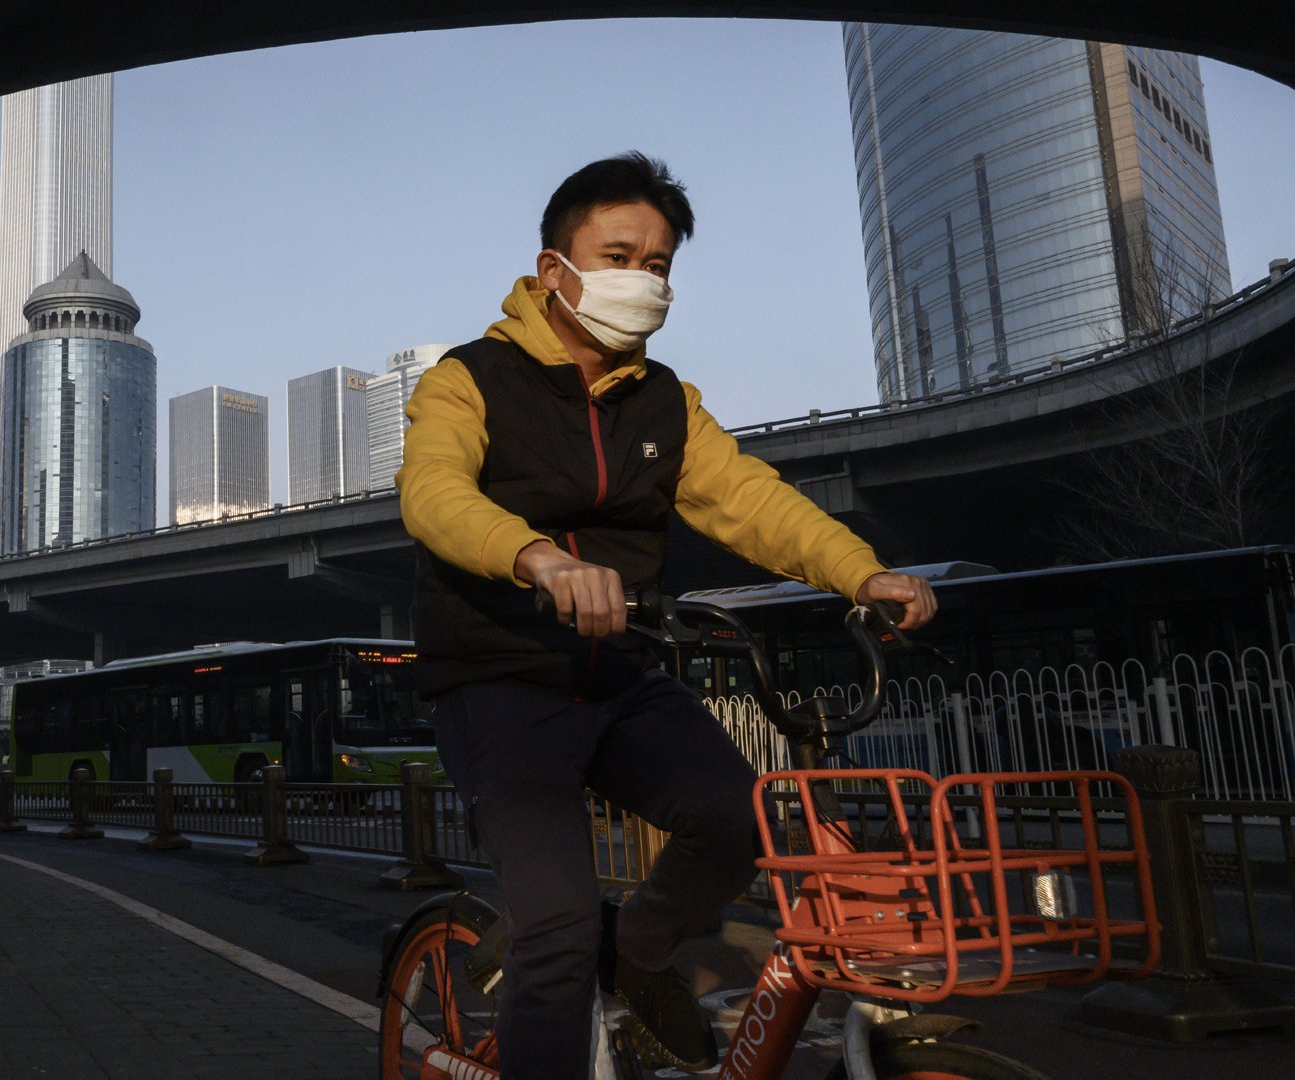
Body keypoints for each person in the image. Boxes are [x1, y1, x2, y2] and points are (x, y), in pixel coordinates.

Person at [397, 152, 938, 1075]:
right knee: (559, 927)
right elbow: (433, 493)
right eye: (619, 256)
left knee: (743, 818)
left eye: (658, 265)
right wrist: (537, 557)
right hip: (499, 679)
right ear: (552, 271)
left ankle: (641, 948)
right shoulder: (470, 378)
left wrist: (862, 573)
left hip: (617, 674)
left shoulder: (665, 402)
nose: (641, 281)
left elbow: (751, 501)